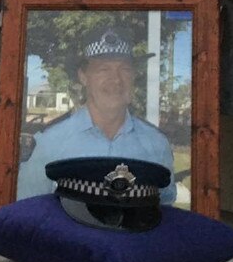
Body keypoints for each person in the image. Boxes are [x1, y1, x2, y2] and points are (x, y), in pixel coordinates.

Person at [17, 27, 177, 204]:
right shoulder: (49, 143)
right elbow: (29, 212)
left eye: (124, 69)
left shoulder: (157, 144)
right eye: (103, 69)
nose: (116, 79)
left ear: (133, 75)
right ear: (84, 77)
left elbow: (164, 208)